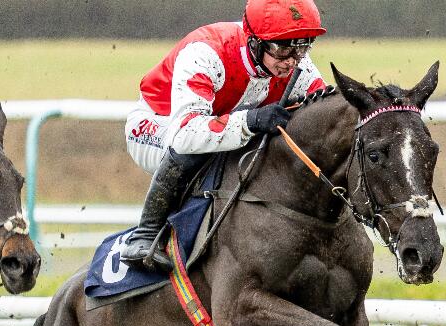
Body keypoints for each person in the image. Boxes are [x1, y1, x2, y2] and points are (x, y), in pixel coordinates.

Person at [119, 0, 330, 270]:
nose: (292, 60)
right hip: (160, 124)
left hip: (218, 118)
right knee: (194, 150)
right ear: (255, 42)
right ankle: (145, 236)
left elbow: (323, 110)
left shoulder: (294, 63)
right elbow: (185, 134)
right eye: (283, 48)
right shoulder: (207, 53)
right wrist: (251, 120)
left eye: (303, 46)